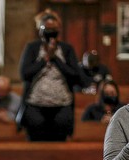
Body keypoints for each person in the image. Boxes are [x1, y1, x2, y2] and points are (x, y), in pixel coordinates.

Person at [17, 9, 81, 142]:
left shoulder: (66, 49)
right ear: (41, 30)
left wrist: (56, 59)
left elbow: (75, 76)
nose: (51, 32)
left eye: (54, 29)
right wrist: (45, 58)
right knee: (36, 142)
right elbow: (25, 74)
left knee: (59, 142)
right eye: (47, 28)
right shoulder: (32, 48)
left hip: (62, 106)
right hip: (35, 105)